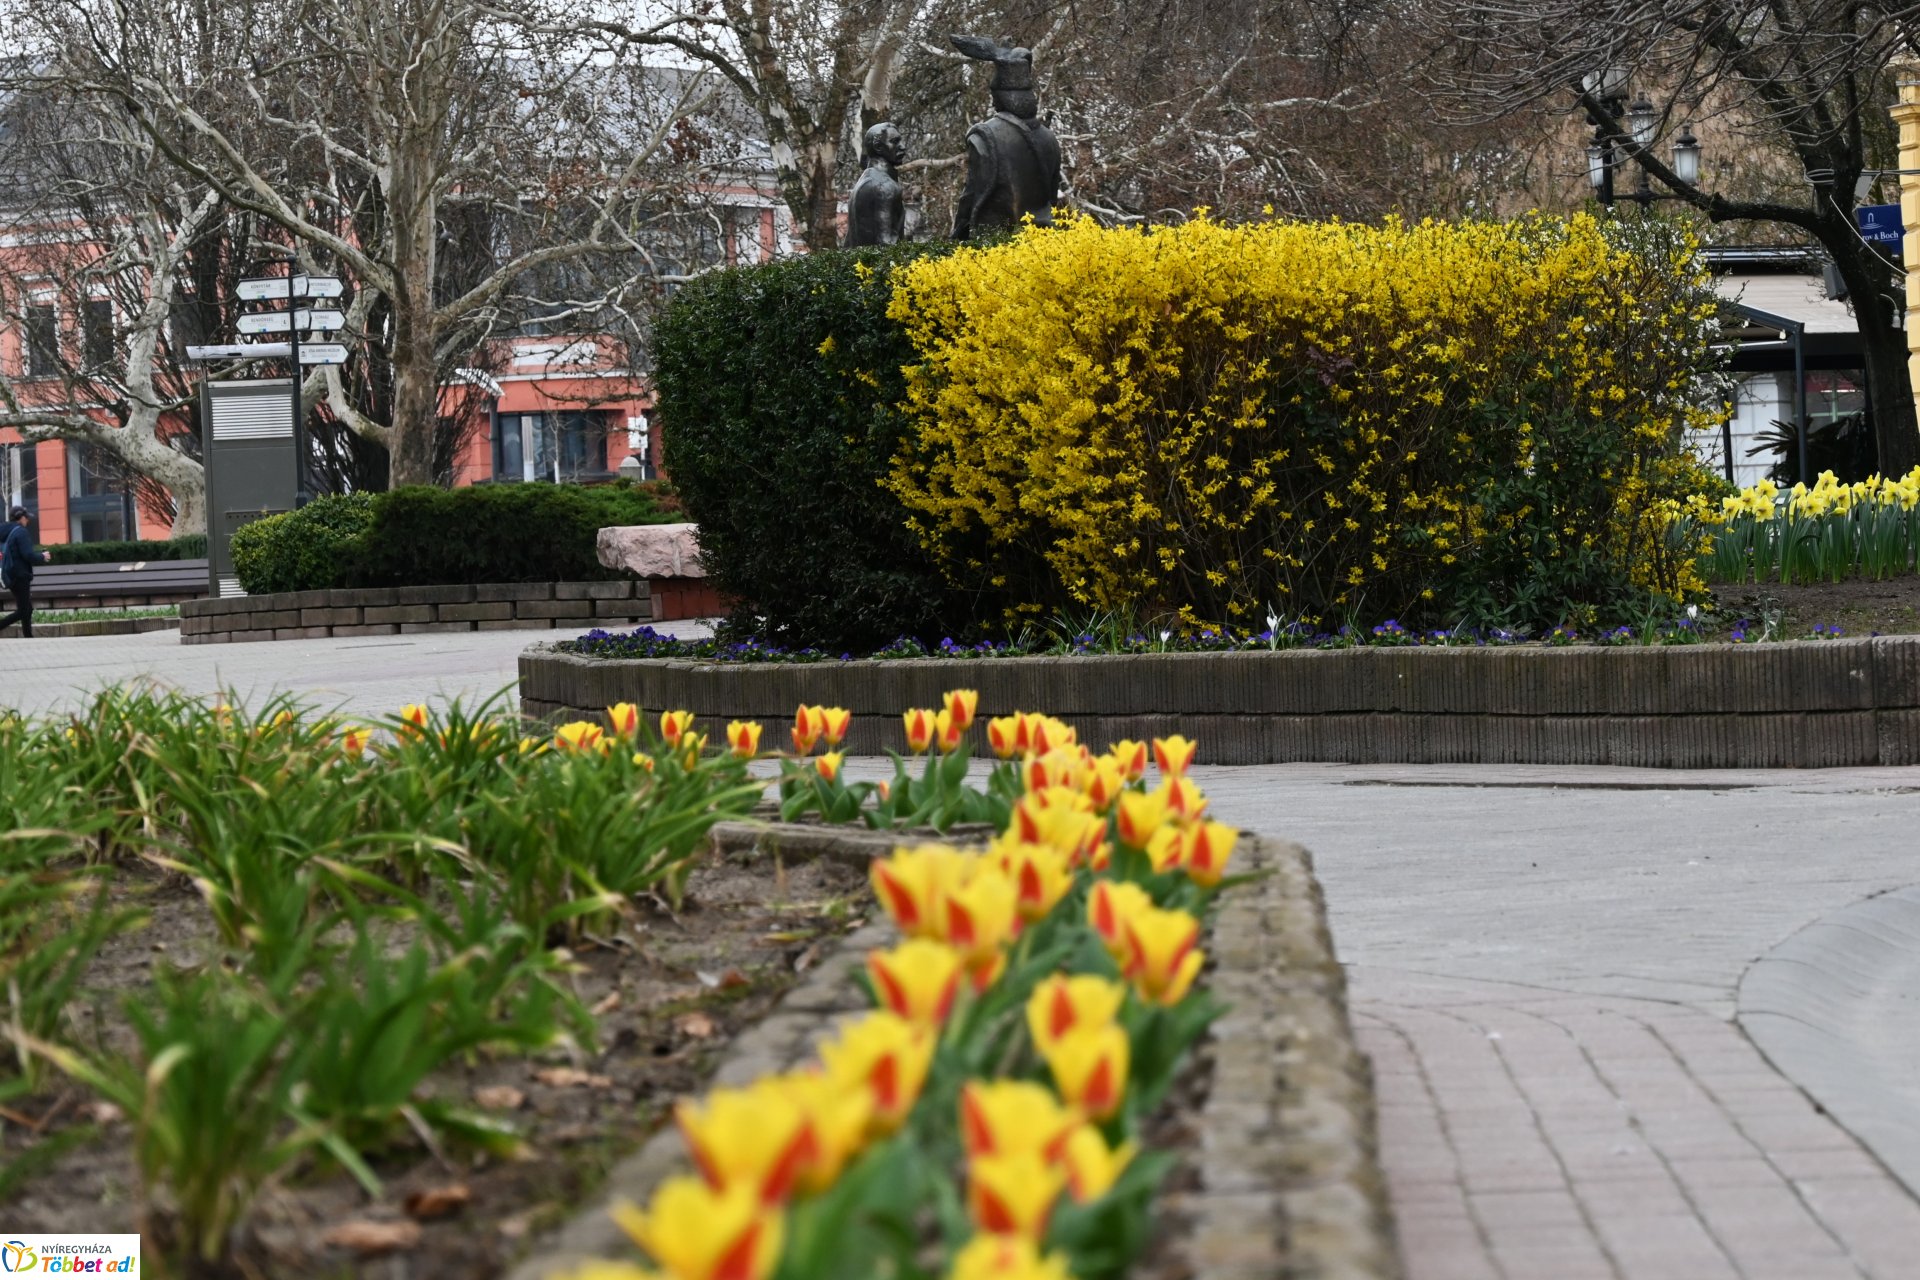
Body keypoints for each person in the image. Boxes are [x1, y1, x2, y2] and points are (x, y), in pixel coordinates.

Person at [0, 506, 51, 638]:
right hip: (20, 575)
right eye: (26, 517)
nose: (27, 520)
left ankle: (28, 636)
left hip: (9, 574)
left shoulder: (5, 531)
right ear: (21, 518)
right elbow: (28, 554)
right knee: (24, 610)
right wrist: (42, 556)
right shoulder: (21, 532)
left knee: (26, 608)